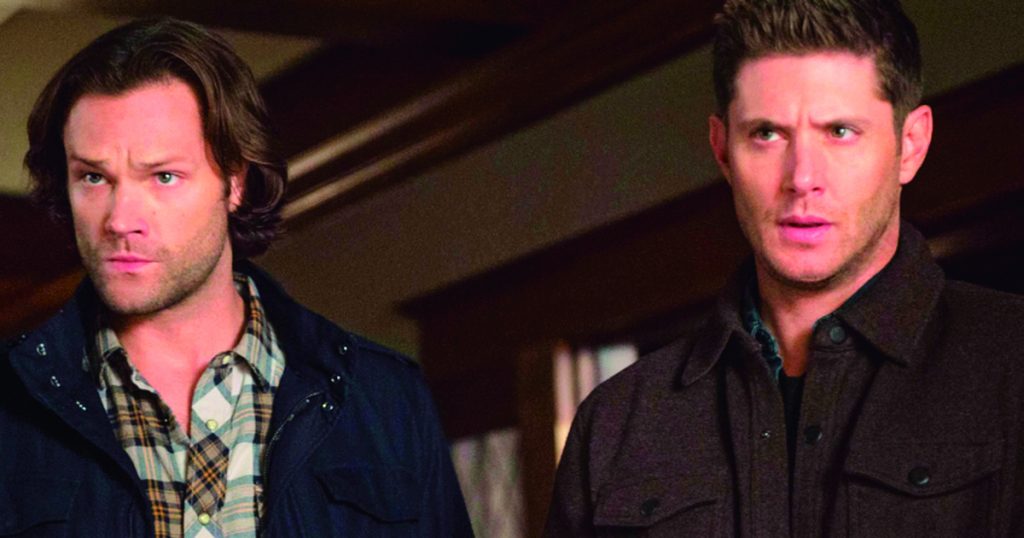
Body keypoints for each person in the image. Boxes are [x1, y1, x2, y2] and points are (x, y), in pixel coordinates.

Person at [547, 0, 1024, 535]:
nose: (802, 178)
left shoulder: (1012, 364)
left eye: (839, 131)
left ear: (910, 146)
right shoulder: (616, 425)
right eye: (767, 134)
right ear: (722, 151)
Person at [1, 18, 472, 537]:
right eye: (93, 177)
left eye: (163, 176)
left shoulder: (385, 398)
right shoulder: (10, 402)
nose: (119, 219)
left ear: (236, 183)